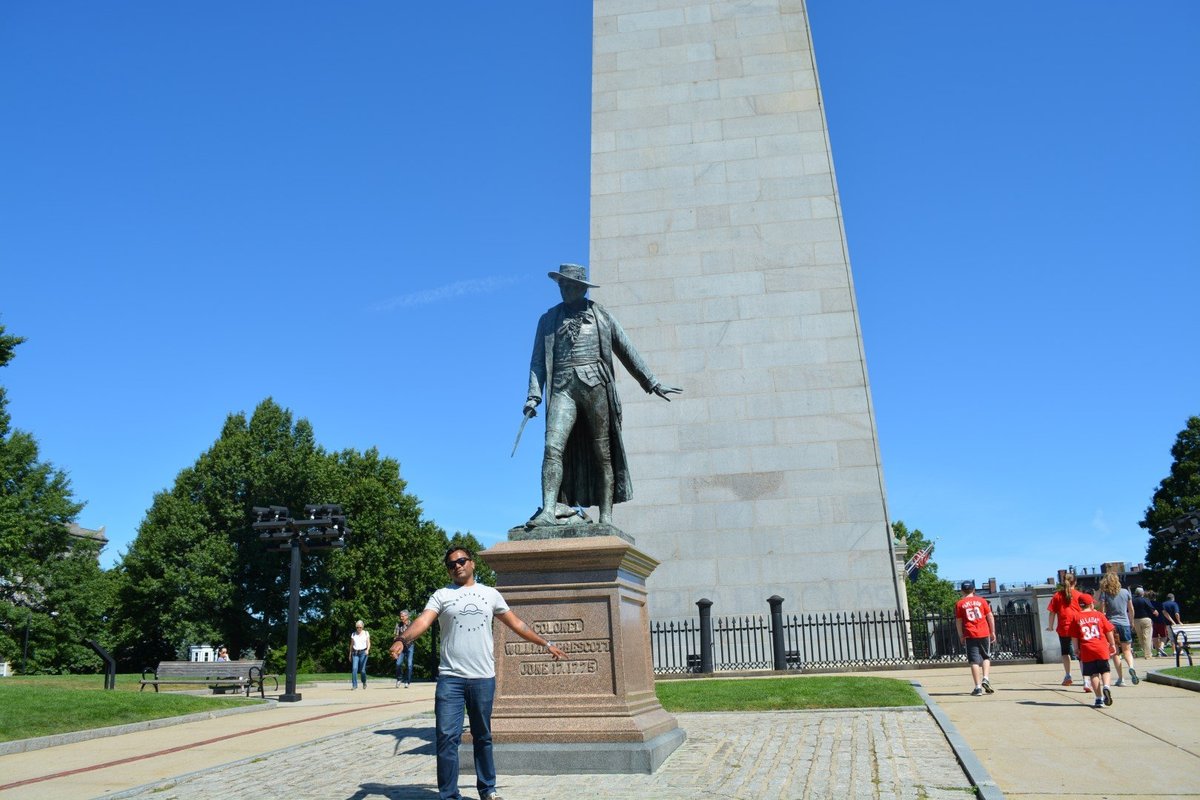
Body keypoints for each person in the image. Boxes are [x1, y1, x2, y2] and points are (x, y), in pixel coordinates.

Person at [390, 546, 567, 800]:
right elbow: (422, 621)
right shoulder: (441, 595)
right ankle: (450, 795)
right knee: (446, 737)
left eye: (461, 561)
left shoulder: (490, 594)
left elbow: (517, 623)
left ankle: (487, 789)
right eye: (451, 564)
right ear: (448, 570)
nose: (457, 566)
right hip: (450, 678)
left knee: (482, 736)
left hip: (483, 677)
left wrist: (546, 644)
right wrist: (403, 640)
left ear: (472, 563)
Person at [523, 264, 681, 528]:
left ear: (582, 288)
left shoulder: (601, 315)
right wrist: (533, 396)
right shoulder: (547, 320)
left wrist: (652, 382)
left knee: (602, 452)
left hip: (596, 386)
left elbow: (626, 349)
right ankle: (549, 510)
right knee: (552, 446)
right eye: (561, 285)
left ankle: (606, 516)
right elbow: (537, 362)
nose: (565, 290)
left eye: (570, 285)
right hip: (562, 388)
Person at [1070, 593, 1117, 709]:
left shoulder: (1076, 617)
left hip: (1086, 649)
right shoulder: (1099, 615)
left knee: (1093, 674)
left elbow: (1074, 636)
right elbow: (1109, 630)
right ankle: (1106, 686)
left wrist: (1076, 649)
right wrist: (1112, 644)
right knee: (1105, 670)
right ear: (1091, 604)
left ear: (1080, 605)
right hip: (1101, 647)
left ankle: (1099, 698)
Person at [954, 581, 996, 696]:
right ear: (974, 590)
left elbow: (958, 621)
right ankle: (986, 678)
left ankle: (977, 688)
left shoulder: (960, 604)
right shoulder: (982, 601)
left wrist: (961, 635)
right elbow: (990, 616)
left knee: (974, 661)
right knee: (986, 657)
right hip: (984, 632)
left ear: (962, 591)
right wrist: (992, 631)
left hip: (969, 634)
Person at [1098, 572, 1138, 686]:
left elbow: (1102, 610)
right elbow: (1131, 609)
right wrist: (1132, 621)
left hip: (1111, 625)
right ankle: (1131, 667)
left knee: (1115, 652)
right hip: (1125, 623)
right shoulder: (1125, 592)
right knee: (1127, 650)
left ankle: (1121, 679)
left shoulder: (1105, 593)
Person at [1046, 573, 1083, 686]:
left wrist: (1051, 626)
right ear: (1075, 582)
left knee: (1065, 652)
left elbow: (1052, 613)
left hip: (1063, 627)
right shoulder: (1079, 595)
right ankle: (1085, 677)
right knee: (1081, 652)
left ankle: (1068, 675)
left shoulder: (1057, 596)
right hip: (1077, 626)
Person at [1131, 587, 1158, 661]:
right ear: (1142, 593)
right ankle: (1148, 654)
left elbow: (1129, 610)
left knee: (1140, 637)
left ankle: (1145, 652)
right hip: (1146, 619)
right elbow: (1152, 609)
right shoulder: (1145, 600)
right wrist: (1156, 613)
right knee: (1147, 637)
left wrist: (1131, 621)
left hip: (1136, 620)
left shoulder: (1132, 601)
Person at [394, 610, 415, 688]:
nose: (401, 617)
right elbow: (396, 636)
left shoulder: (412, 624)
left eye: (402, 616)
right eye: (400, 616)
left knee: (409, 664)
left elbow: (414, 635)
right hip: (401, 647)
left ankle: (407, 681)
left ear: (407, 616)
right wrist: (396, 643)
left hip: (410, 646)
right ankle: (399, 679)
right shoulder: (398, 625)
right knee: (398, 663)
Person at [349, 619, 371, 690]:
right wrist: (350, 654)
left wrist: (367, 650)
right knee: (354, 668)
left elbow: (368, 643)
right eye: (357, 627)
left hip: (363, 653)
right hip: (355, 653)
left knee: (362, 670)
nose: (359, 629)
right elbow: (351, 645)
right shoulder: (353, 634)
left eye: (360, 627)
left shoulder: (366, 633)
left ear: (362, 627)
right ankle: (354, 685)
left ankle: (364, 682)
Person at [1149, 590, 1170, 656]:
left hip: (1151, 622)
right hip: (1160, 621)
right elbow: (1164, 612)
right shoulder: (1159, 604)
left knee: (1154, 637)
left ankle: (1158, 651)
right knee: (1164, 636)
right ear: (1155, 597)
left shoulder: (1148, 603)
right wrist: (1171, 620)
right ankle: (1161, 647)